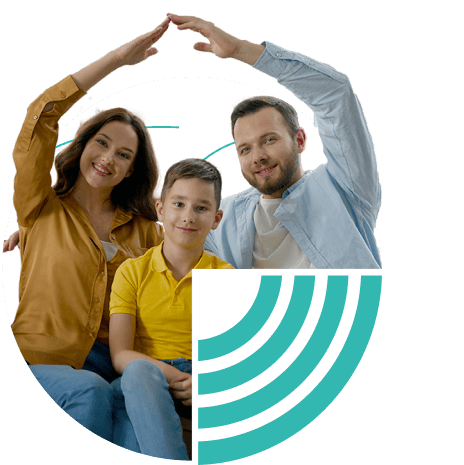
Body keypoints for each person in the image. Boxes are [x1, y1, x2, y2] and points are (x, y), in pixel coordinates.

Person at [7, 17, 181, 450]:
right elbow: (40, 115)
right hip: (42, 360)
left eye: (123, 154)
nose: (108, 159)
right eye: (102, 143)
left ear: (131, 170)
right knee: (89, 392)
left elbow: (186, 274)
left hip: (114, 369)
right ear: (83, 143)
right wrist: (117, 61)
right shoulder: (40, 207)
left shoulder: (147, 233)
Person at [168, 14, 382, 269]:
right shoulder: (219, 219)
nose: (257, 156)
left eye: (268, 140)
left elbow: (335, 95)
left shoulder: (346, 189)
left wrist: (240, 50)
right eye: (245, 149)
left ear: (299, 140)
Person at [108, 158, 233, 460]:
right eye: (179, 204)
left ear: (216, 218)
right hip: (146, 379)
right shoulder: (131, 272)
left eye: (201, 208)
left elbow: (232, 358)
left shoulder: (226, 275)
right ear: (161, 209)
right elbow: (120, 354)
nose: (188, 216)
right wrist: (172, 377)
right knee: (137, 372)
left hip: (201, 382)